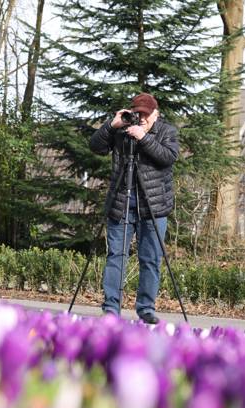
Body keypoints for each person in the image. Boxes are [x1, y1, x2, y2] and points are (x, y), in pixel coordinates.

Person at [89, 93, 179, 324]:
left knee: (150, 258)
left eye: (146, 115)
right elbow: (95, 147)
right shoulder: (122, 131)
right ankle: (111, 309)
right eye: (138, 114)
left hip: (154, 206)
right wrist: (111, 125)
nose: (141, 119)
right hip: (122, 203)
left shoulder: (167, 132)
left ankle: (146, 308)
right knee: (116, 256)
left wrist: (143, 138)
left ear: (156, 114)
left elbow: (168, 157)